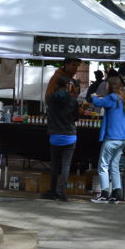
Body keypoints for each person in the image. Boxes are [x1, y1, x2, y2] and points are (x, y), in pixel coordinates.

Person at [89, 74, 125, 203]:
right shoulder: (123, 98)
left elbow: (97, 102)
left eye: (106, 83)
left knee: (103, 165)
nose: (105, 85)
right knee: (114, 165)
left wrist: (94, 95)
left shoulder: (111, 97)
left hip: (112, 138)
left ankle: (105, 193)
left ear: (110, 85)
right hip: (122, 138)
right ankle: (117, 193)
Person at [42, 70, 80, 201]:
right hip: (70, 136)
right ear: (67, 85)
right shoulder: (73, 100)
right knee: (66, 166)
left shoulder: (50, 99)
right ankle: (61, 192)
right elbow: (76, 117)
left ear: (55, 86)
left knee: (54, 165)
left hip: (55, 136)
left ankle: (52, 191)